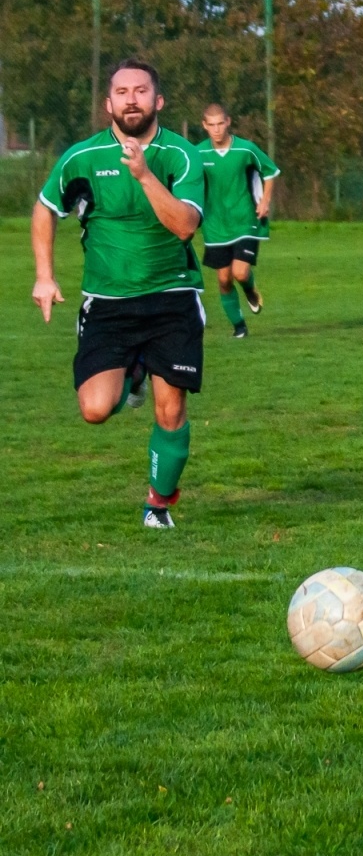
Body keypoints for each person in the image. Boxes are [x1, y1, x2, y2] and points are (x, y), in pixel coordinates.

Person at [31, 59, 207, 529]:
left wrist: (145, 175)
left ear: (158, 100)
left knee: (170, 409)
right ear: (108, 103)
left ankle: (159, 504)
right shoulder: (81, 158)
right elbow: (46, 209)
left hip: (171, 298)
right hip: (106, 303)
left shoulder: (181, 156)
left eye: (142, 90)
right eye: (122, 92)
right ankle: (133, 372)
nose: (132, 99)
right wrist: (44, 276)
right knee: (93, 410)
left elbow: (186, 226)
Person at [197, 103, 277, 337]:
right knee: (223, 279)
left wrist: (265, 201)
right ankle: (239, 327)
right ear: (204, 126)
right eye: (211, 125)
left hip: (245, 220)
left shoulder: (246, 149)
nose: (217, 129)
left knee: (240, 273)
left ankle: (250, 290)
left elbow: (270, 172)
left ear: (228, 122)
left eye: (220, 123)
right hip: (215, 224)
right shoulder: (198, 153)